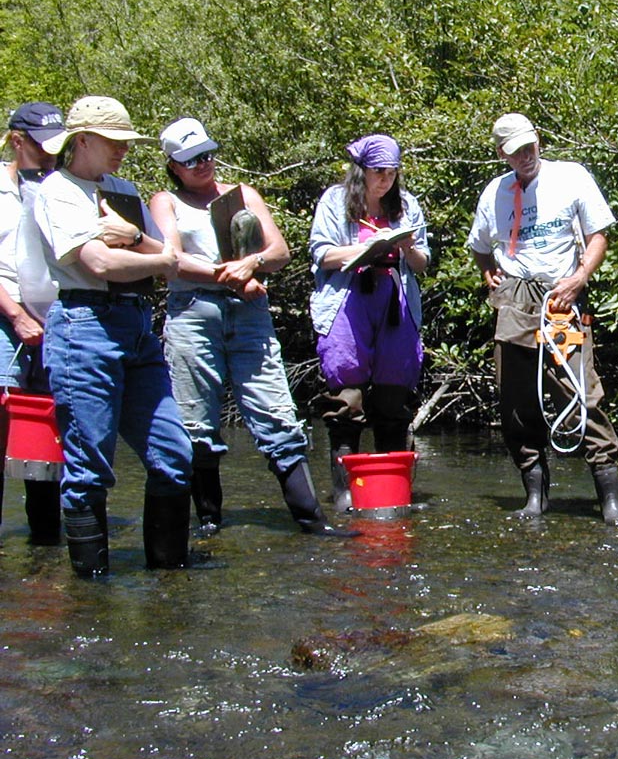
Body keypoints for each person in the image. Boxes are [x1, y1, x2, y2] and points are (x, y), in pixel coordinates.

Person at [148, 118, 356, 538]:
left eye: (207, 155)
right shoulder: (164, 202)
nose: (203, 165)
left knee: (275, 410)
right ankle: (208, 520)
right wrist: (230, 274)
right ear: (173, 165)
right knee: (196, 421)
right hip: (193, 312)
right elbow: (170, 260)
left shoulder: (242, 194)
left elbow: (278, 250)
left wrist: (252, 263)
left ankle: (311, 520)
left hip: (249, 315)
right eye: (191, 161)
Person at [33, 96, 193, 577]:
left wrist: (136, 241)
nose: (124, 150)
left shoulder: (122, 188)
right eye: (114, 141)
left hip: (136, 325)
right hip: (84, 326)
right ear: (81, 141)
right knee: (89, 468)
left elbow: (167, 251)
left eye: (126, 141)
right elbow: (100, 263)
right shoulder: (56, 191)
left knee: (174, 455)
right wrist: (158, 258)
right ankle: (91, 593)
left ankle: (169, 583)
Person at [467, 112, 618, 526]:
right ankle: (535, 492)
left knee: (579, 389)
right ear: (502, 153)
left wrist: (580, 278)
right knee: (515, 396)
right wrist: (489, 273)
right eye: (516, 150)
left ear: (538, 141)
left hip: (561, 293)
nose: (526, 154)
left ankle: (609, 494)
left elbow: (598, 235)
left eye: (530, 145)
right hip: (514, 295)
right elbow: (480, 245)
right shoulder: (494, 193)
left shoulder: (571, 177)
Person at [308, 134, 429, 511]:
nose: (386, 181)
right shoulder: (334, 200)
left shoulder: (406, 205)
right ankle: (346, 493)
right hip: (348, 301)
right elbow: (322, 254)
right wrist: (366, 248)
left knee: (393, 398)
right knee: (348, 397)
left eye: (392, 173)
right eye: (379, 172)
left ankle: (391, 492)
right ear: (361, 171)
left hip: (394, 302)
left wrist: (406, 246)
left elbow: (423, 262)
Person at [0, 102, 64, 544]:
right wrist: (17, 315)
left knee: (49, 430)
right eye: (42, 147)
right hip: (7, 319)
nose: (50, 155)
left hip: (56, 321)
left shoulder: (61, 186)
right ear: (17, 141)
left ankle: (46, 537)